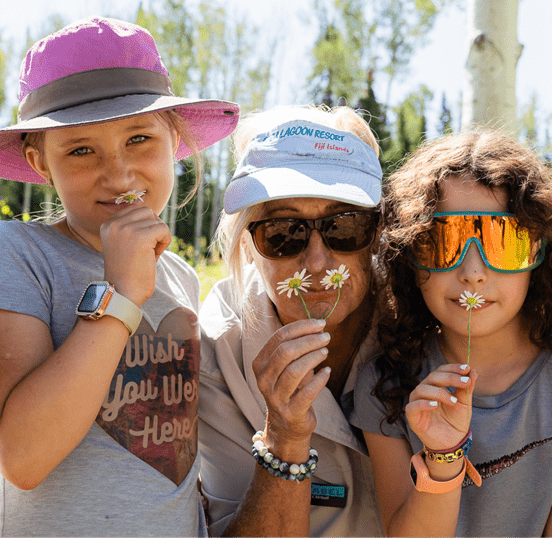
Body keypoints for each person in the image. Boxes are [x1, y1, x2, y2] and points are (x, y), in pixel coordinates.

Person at [0, 17, 239, 537]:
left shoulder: (177, 276)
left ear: (175, 139)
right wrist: (122, 295)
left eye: (139, 139)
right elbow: (23, 457)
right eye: (81, 150)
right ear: (41, 162)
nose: (120, 173)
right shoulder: (17, 255)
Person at [350, 130, 552, 537]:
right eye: (441, 242)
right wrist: (443, 457)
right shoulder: (386, 384)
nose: (472, 273)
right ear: (408, 257)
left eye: (502, 242)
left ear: (540, 253)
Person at [197, 105, 384, 536]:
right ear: (247, 243)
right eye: (283, 233)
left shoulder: (429, 313)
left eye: (346, 226)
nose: (317, 262)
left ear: (377, 231)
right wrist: (284, 439)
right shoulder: (219, 348)